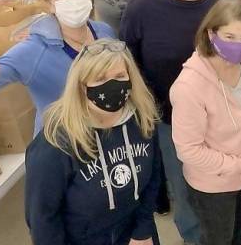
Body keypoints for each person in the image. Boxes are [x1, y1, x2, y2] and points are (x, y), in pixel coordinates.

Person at [120, 0, 236, 245]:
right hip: (172, 123)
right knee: (185, 193)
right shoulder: (141, 9)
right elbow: (129, 65)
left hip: (225, 112)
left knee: (228, 178)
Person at [25, 39, 160, 245]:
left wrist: (143, 230)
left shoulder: (142, 120)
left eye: (120, 76)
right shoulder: (56, 142)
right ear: (81, 87)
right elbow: (42, 216)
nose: (112, 86)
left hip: (134, 234)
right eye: (100, 79)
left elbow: (153, 179)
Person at [171, 0, 241, 245]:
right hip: (213, 185)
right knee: (218, 238)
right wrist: (237, 164)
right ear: (211, 34)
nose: (239, 46)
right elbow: (188, 150)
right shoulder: (189, 86)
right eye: (229, 37)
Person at [0, 0, 114, 135]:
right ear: (50, 5)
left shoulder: (104, 32)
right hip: (62, 144)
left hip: (108, 136)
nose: (73, 1)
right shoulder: (32, 51)